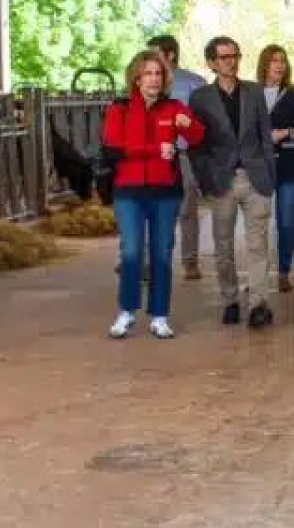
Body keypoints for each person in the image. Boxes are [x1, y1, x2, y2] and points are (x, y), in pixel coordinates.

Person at [101, 49, 206, 338]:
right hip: (129, 192)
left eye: (159, 73)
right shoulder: (118, 108)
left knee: (161, 254)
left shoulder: (173, 108)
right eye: (148, 73)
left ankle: (159, 315)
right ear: (136, 78)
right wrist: (153, 151)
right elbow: (112, 148)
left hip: (165, 192)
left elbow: (198, 136)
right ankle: (126, 311)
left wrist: (191, 126)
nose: (154, 79)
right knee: (131, 252)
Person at [188, 36, 278, 330]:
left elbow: (266, 136)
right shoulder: (200, 98)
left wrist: (269, 173)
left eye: (235, 55)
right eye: (225, 57)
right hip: (221, 181)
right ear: (212, 63)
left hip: (255, 178)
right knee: (223, 246)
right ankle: (230, 299)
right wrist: (206, 181)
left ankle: (259, 305)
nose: (232, 61)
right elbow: (197, 145)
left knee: (258, 245)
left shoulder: (254, 92)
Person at [258, 45, 294, 293]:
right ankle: (257, 274)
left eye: (282, 60)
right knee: (257, 223)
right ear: (265, 64)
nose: (279, 65)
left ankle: (283, 272)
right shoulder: (252, 93)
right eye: (273, 61)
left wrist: (286, 132)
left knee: (285, 222)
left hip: (289, 164)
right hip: (260, 166)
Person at [152, 34, 207, 281]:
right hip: (154, 154)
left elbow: (205, 119)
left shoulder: (195, 83)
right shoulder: (147, 82)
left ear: (170, 54)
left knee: (187, 209)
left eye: (155, 53)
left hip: (185, 154)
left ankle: (190, 262)